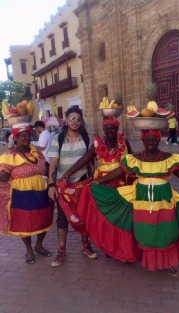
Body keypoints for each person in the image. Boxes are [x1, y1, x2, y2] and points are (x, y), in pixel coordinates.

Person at [57, 129, 179, 277]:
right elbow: (119, 171)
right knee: (145, 230)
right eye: (147, 139)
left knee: (166, 230)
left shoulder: (168, 157)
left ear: (158, 141)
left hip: (163, 199)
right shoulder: (136, 158)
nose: (150, 142)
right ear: (143, 141)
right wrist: (99, 182)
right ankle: (147, 259)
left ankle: (169, 262)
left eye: (154, 139)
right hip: (141, 198)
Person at [48, 107, 97, 267]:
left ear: (81, 121)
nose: (74, 122)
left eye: (77, 119)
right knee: (62, 218)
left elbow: (90, 162)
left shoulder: (87, 138)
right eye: (71, 118)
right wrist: (51, 185)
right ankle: (61, 250)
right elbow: (53, 163)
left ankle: (85, 245)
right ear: (67, 121)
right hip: (64, 186)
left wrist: (94, 179)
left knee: (85, 216)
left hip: (84, 183)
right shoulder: (58, 138)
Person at [0, 123, 53, 264]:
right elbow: (3, 176)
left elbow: (46, 168)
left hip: (42, 192)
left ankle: (39, 245)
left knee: (44, 219)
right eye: (24, 136)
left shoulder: (37, 152)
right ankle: (29, 250)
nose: (28, 138)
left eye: (29, 135)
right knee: (25, 223)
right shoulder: (9, 155)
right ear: (16, 138)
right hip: (22, 195)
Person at [62, 116, 132, 187]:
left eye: (112, 128)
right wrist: (68, 173)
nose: (109, 131)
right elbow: (85, 158)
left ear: (117, 129)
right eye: (106, 129)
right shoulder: (98, 143)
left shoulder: (124, 143)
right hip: (101, 181)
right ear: (104, 130)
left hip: (121, 180)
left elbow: (131, 161)